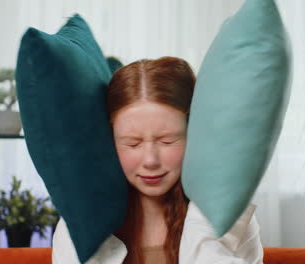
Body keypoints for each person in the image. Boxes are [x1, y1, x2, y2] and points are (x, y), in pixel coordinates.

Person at [52, 56, 264, 264]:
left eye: (167, 141)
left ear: (194, 134)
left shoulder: (231, 218)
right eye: (133, 143)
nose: (150, 160)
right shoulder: (78, 226)